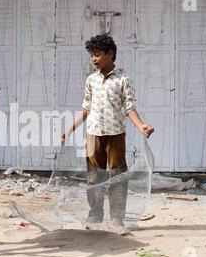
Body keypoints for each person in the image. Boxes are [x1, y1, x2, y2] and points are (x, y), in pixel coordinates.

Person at [61, 34, 154, 233]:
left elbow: (129, 108)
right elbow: (86, 108)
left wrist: (141, 126)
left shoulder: (123, 79)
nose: (94, 59)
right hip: (93, 135)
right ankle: (95, 214)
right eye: (91, 56)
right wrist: (70, 129)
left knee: (117, 176)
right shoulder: (91, 80)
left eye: (97, 55)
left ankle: (117, 218)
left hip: (115, 135)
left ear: (110, 54)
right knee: (94, 176)